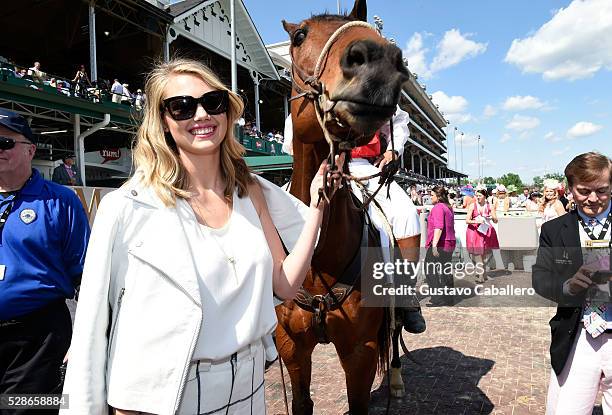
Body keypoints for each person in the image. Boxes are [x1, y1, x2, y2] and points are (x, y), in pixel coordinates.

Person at [61, 58, 344, 415]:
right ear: (163, 121)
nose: (201, 115)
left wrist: (317, 207)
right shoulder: (124, 208)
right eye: (181, 107)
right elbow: (94, 323)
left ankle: (402, 303)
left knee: (396, 217)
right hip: (165, 396)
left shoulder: (251, 192)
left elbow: (286, 286)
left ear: (227, 110)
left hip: (248, 385)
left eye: (213, 102)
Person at [282, 107, 426, 334]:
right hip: (320, 167)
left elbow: (398, 119)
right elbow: (295, 122)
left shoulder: (373, 89)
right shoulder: (318, 87)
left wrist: (393, 150)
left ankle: (404, 293)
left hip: (362, 165)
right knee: (271, 212)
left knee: (406, 213)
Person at [0, 109, 90, 408]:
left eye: (5, 143)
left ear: (31, 150)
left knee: (29, 407)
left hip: (37, 339)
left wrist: (84, 342)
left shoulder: (61, 201)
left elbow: (86, 279)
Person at [532, 152, 612, 414]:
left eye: (602, 191)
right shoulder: (554, 230)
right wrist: (568, 286)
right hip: (578, 336)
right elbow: (541, 278)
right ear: (569, 189)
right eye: (584, 191)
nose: (593, 199)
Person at [425, 186, 456, 306]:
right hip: (449, 242)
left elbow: (439, 227)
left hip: (440, 243)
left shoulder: (438, 207)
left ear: (438, 196)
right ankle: (448, 299)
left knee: (430, 269)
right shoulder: (448, 207)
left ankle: (437, 298)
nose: (430, 197)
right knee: (446, 270)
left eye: (432, 195)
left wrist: (434, 245)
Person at [465, 185, 499, 283]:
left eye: (479, 195)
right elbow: (467, 220)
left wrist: (492, 217)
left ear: (485, 196)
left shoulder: (490, 206)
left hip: (486, 231)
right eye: (476, 195)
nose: (478, 197)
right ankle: (481, 275)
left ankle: (483, 274)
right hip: (474, 231)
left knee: (484, 255)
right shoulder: (472, 206)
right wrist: (477, 221)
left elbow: (496, 220)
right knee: (478, 254)